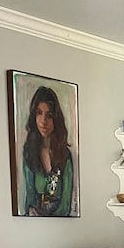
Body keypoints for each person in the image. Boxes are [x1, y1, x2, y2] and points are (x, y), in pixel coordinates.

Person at [23, 86, 73, 216]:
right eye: (39, 113)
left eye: (49, 115)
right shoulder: (29, 153)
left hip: (60, 223)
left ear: (56, 119)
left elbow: (66, 202)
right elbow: (30, 195)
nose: (43, 121)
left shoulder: (65, 155)